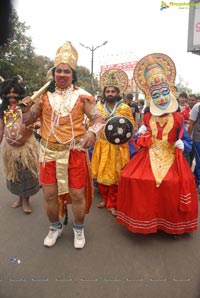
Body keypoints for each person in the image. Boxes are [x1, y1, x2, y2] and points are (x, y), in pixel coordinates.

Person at [20, 41, 104, 249]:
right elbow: (28, 121)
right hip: (48, 153)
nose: (63, 74)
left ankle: (78, 229)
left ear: (73, 75)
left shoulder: (82, 96)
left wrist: (93, 133)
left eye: (67, 71)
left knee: (76, 194)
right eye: (59, 71)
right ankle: (54, 227)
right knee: (48, 194)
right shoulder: (44, 96)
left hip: (74, 153)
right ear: (53, 73)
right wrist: (26, 109)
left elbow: (98, 119)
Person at [116, 53, 198, 235]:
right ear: (150, 97)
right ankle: (144, 220)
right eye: (156, 95)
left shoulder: (178, 117)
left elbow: (187, 141)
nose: (161, 99)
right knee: (134, 179)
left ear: (170, 93)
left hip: (172, 157)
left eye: (163, 94)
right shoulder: (146, 116)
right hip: (148, 155)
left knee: (174, 183)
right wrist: (140, 134)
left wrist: (183, 145)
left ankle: (171, 223)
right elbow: (139, 141)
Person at [90, 69, 136, 216]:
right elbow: (90, 125)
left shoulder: (124, 108)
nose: (110, 93)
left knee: (116, 177)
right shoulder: (97, 108)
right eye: (107, 91)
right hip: (102, 145)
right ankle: (105, 199)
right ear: (104, 93)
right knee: (102, 176)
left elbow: (131, 127)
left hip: (119, 147)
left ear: (118, 93)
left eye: (112, 91)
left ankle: (113, 203)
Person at [0, 77, 40, 213]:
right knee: (15, 176)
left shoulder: (25, 106)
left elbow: (35, 120)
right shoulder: (3, 108)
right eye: (9, 92)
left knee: (27, 176)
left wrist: (28, 110)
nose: (11, 95)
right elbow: (1, 128)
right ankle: (19, 198)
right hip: (10, 150)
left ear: (19, 92)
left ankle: (26, 201)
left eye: (14, 92)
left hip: (26, 148)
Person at [188, 101, 200, 192]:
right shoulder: (197, 107)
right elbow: (191, 124)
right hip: (198, 139)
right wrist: (188, 139)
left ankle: (196, 181)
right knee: (199, 161)